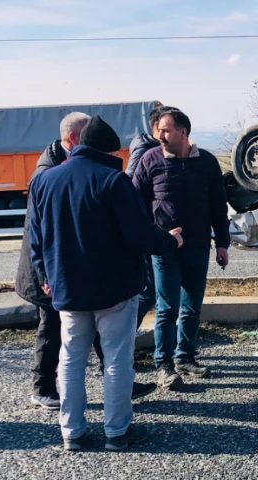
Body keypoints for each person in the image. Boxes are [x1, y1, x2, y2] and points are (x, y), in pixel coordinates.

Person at [28, 116, 183, 452]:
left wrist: (46, 278)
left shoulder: (44, 180)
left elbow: (36, 239)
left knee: (70, 360)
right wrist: (172, 242)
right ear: (108, 150)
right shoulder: (113, 181)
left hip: (67, 289)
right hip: (114, 288)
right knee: (116, 360)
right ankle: (117, 432)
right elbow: (139, 235)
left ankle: (73, 434)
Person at [16, 112, 156, 410]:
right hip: (54, 272)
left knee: (83, 341)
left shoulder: (59, 167)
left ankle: (107, 396)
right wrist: (45, 276)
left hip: (67, 270)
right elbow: (37, 232)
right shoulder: (49, 171)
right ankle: (42, 387)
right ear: (73, 139)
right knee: (54, 333)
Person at [131, 109, 230, 391]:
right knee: (166, 308)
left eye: (165, 130)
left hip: (198, 246)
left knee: (191, 307)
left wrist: (222, 243)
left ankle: (185, 357)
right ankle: (163, 365)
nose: (159, 136)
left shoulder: (208, 162)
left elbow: (218, 206)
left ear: (183, 132)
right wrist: (150, 236)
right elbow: (135, 202)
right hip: (164, 248)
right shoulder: (151, 159)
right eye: (158, 130)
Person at [126, 103, 178, 328]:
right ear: (156, 126)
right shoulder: (145, 150)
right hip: (149, 231)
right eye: (166, 128)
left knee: (153, 292)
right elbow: (131, 191)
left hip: (153, 230)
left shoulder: (150, 146)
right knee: (147, 293)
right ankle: (122, 343)